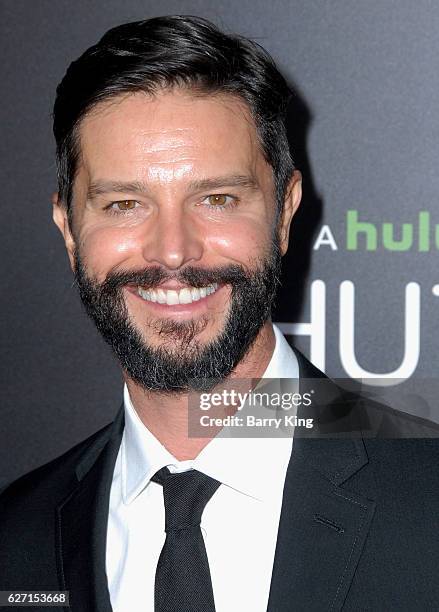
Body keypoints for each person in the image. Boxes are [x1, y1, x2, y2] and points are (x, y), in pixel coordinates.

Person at [0, 15, 438, 612]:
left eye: (217, 199)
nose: (173, 250)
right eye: (125, 204)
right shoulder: (14, 537)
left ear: (284, 212)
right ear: (70, 232)